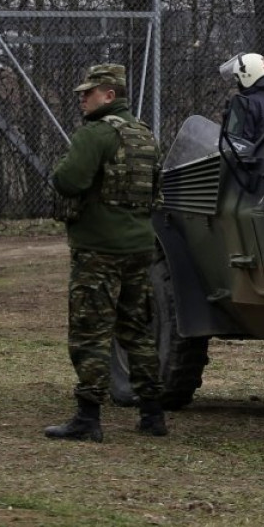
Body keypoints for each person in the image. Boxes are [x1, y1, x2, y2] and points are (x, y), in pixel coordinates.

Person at [45, 63, 166, 442]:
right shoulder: (146, 136)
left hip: (99, 249)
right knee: (138, 332)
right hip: (140, 247)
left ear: (110, 95)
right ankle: (152, 414)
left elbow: (68, 180)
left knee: (90, 333)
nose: (82, 98)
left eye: (89, 92)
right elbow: (156, 191)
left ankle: (88, 416)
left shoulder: (95, 135)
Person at [220, 52, 264, 144]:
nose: (237, 82)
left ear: (246, 76)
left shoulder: (245, 102)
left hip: (249, 157)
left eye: (238, 78)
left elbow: (238, 142)